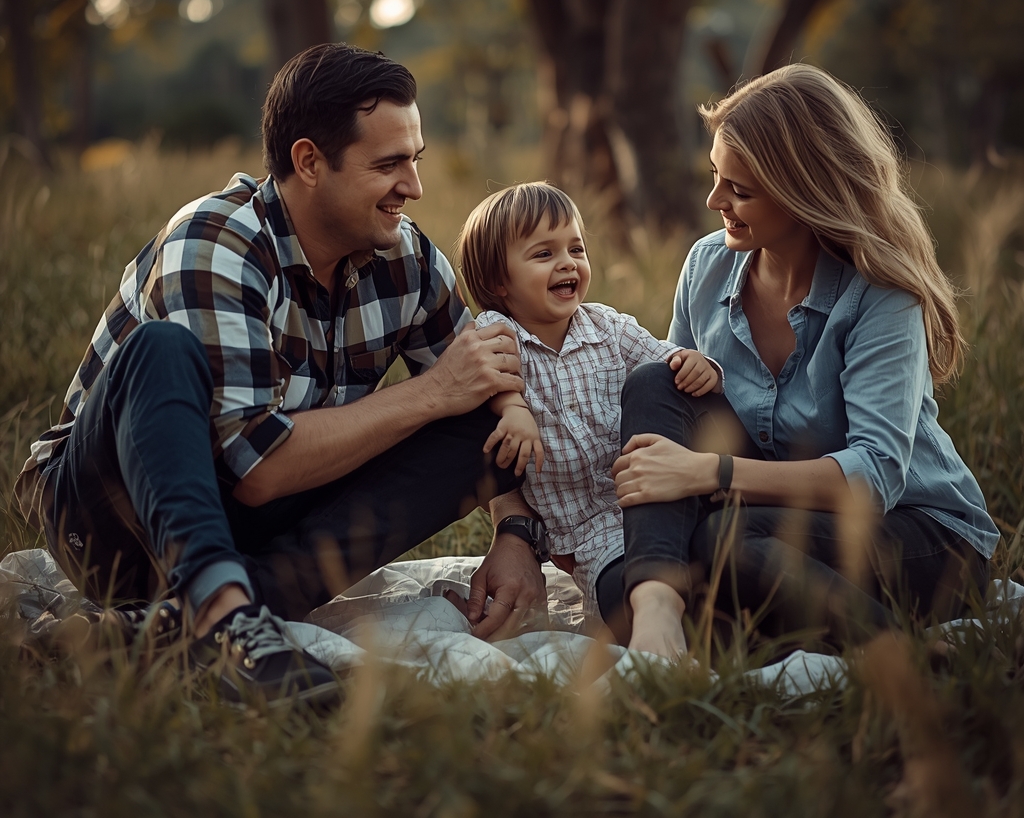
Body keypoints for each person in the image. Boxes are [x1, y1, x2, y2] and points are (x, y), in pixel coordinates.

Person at [15, 43, 548, 703]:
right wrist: (432, 392)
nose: (414, 186)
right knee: (160, 349)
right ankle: (226, 617)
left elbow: (484, 397)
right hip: (114, 520)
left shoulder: (407, 259)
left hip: (256, 520)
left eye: (415, 159)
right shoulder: (216, 242)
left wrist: (515, 530)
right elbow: (257, 468)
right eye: (389, 164)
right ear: (309, 162)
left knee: (482, 419)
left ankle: (200, 620)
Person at [603, 64, 999, 659]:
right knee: (658, 382)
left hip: (918, 534)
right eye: (715, 176)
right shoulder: (707, 265)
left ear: (804, 191)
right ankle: (656, 611)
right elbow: (677, 417)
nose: (714, 201)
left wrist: (713, 472)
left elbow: (875, 478)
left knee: (727, 540)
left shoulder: (881, 294)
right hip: (772, 516)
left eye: (740, 190)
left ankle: (905, 657)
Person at [455, 181, 723, 620]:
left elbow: (664, 362)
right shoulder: (496, 331)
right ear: (497, 281)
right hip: (589, 536)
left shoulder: (608, 327)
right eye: (544, 254)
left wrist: (697, 363)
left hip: (657, 503)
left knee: (710, 563)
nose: (567, 263)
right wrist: (513, 408)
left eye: (576, 249)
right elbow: (490, 371)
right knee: (620, 598)